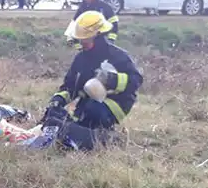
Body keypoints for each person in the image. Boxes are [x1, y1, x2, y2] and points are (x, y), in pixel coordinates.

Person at [42, 10, 143, 149]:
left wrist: (111, 80)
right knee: (58, 116)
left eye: (85, 39)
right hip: (87, 104)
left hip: (115, 104)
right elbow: (71, 86)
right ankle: (81, 134)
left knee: (92, 110)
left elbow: (136, 80)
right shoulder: (81, 59)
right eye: (80, 39)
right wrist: (58, 100)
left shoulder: (118, 56)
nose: (81, 43)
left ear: (98, 36)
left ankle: (106, 138)